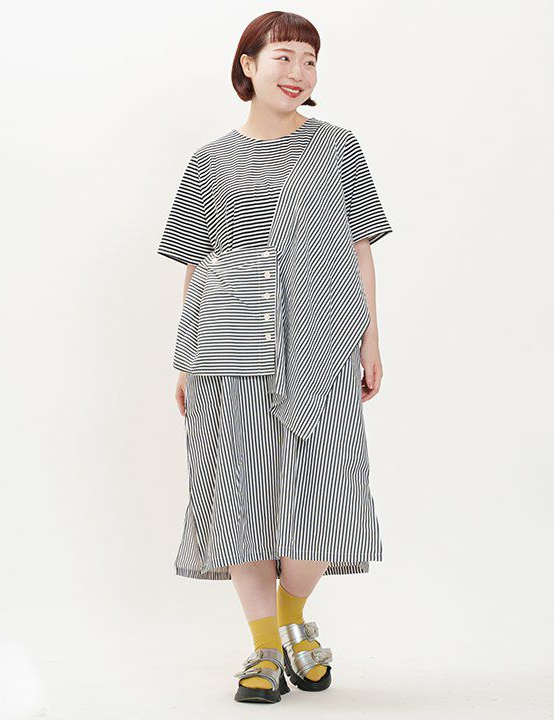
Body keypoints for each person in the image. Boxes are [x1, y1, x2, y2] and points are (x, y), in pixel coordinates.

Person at [157, 11, 393, 704]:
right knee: (240, 500)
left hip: (320, 344)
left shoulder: (337, 146)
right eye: (284, 56)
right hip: (226, 350)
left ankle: (292, 615)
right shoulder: (209, 160)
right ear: (249, 64)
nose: (298, 73)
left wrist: (370, 339)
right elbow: (196, 262)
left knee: (325, 502)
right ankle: (264, 648)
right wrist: (185, 359)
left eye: (310, 60)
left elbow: (360, 246)